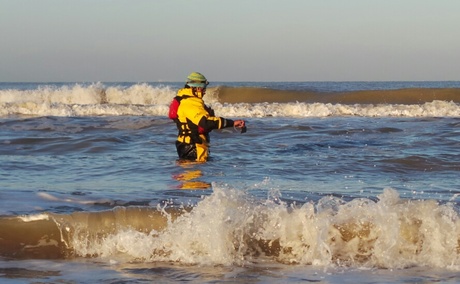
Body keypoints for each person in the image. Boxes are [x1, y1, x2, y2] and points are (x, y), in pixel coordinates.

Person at [169, 72, 246, 162]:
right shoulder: (190, 102)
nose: (204, 92)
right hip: (194, 147)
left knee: (187, 171)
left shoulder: (183, 98)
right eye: (203, 88)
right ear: (197, 88)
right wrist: (232, 123)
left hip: (186, 145)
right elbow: (206, 123)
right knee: (195, 173)